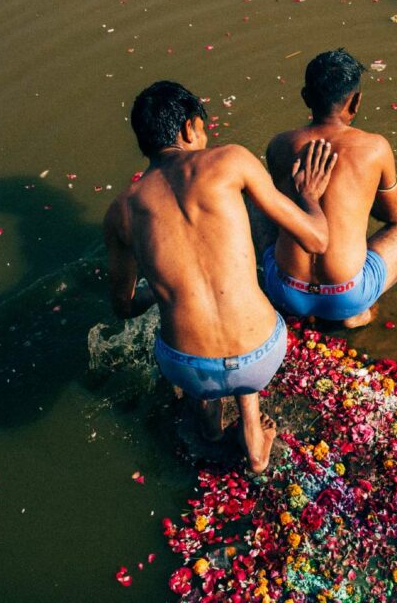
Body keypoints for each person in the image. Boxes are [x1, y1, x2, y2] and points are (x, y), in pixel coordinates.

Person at [104, 81, 337, 473]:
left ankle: (209, 423)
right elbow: (317, 239)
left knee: (188, 308)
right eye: (203, 129)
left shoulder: (122, 210)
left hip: (188, 369)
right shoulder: (231, 161)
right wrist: (309, 196)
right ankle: (252, 432)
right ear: (189, 128)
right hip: (261, 356)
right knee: (247, 258)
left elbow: (124, 307)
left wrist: (161, 291)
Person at [261, 48, 397, 328]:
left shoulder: (279, 145)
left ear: (306, 98)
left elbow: (282, 214)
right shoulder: (374, 147)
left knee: (260, 197)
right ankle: (358, 311)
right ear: (356, 102)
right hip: (346, 295)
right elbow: (394, 215)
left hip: (285, 289)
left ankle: (305, 308)